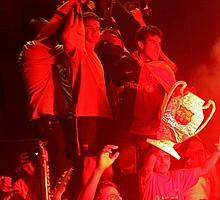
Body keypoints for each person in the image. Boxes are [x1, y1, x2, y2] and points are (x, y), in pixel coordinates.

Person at [109, 24, 177, 176]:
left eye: (159, 44)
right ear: (141, 44)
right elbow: (113, 89)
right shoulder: (126, 63)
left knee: (147, 173)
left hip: (150, 133)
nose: (157, 48)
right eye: (153, 43)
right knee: (127, 172)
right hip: (126, 129)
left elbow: (176, 102)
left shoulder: (164, 70)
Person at [19, 2, 75, 181]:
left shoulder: (49, 52)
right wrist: (70, 6)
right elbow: (65, 38)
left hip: (53, 117)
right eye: (44, 29)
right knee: (59, 166)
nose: (53, 35)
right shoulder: (33, 49)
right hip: (46, 117)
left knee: (64, 162)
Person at [61, 4, 114, 184]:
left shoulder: (96, 56)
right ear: (80, 30)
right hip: (86, 115)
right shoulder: (77, 51)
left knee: (107, 163)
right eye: (88, 28)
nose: (94, 31)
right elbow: (67, 35)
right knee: (89, 163)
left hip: (103, 116)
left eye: (97, 28)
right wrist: (75, 6)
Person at [139, 131, 220, 200]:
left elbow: (203, 169)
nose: (163, 161)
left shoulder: (178, 177)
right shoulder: (148, 178)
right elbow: (148, 168)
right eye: (158, 158)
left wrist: (218, 152)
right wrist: (161, 140)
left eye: (166, 157)